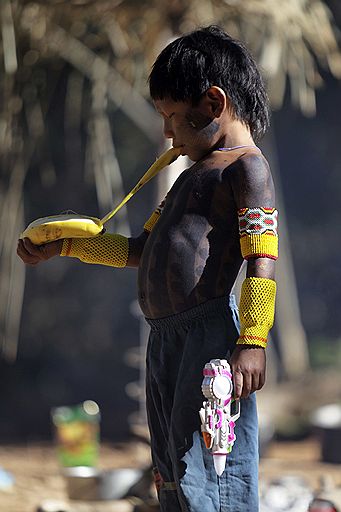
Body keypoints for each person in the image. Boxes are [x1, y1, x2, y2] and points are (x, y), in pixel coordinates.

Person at [17, 26, 278, 512]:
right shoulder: (186, 176)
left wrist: (253, 342)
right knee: (173, 467)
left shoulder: (247, 169)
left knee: (212, 467)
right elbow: (140, 250)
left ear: (214, 103)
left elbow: (261, 261)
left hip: (209, 343)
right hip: (166, 340)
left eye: (173, 116)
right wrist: (67, 247)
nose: (167, 132)